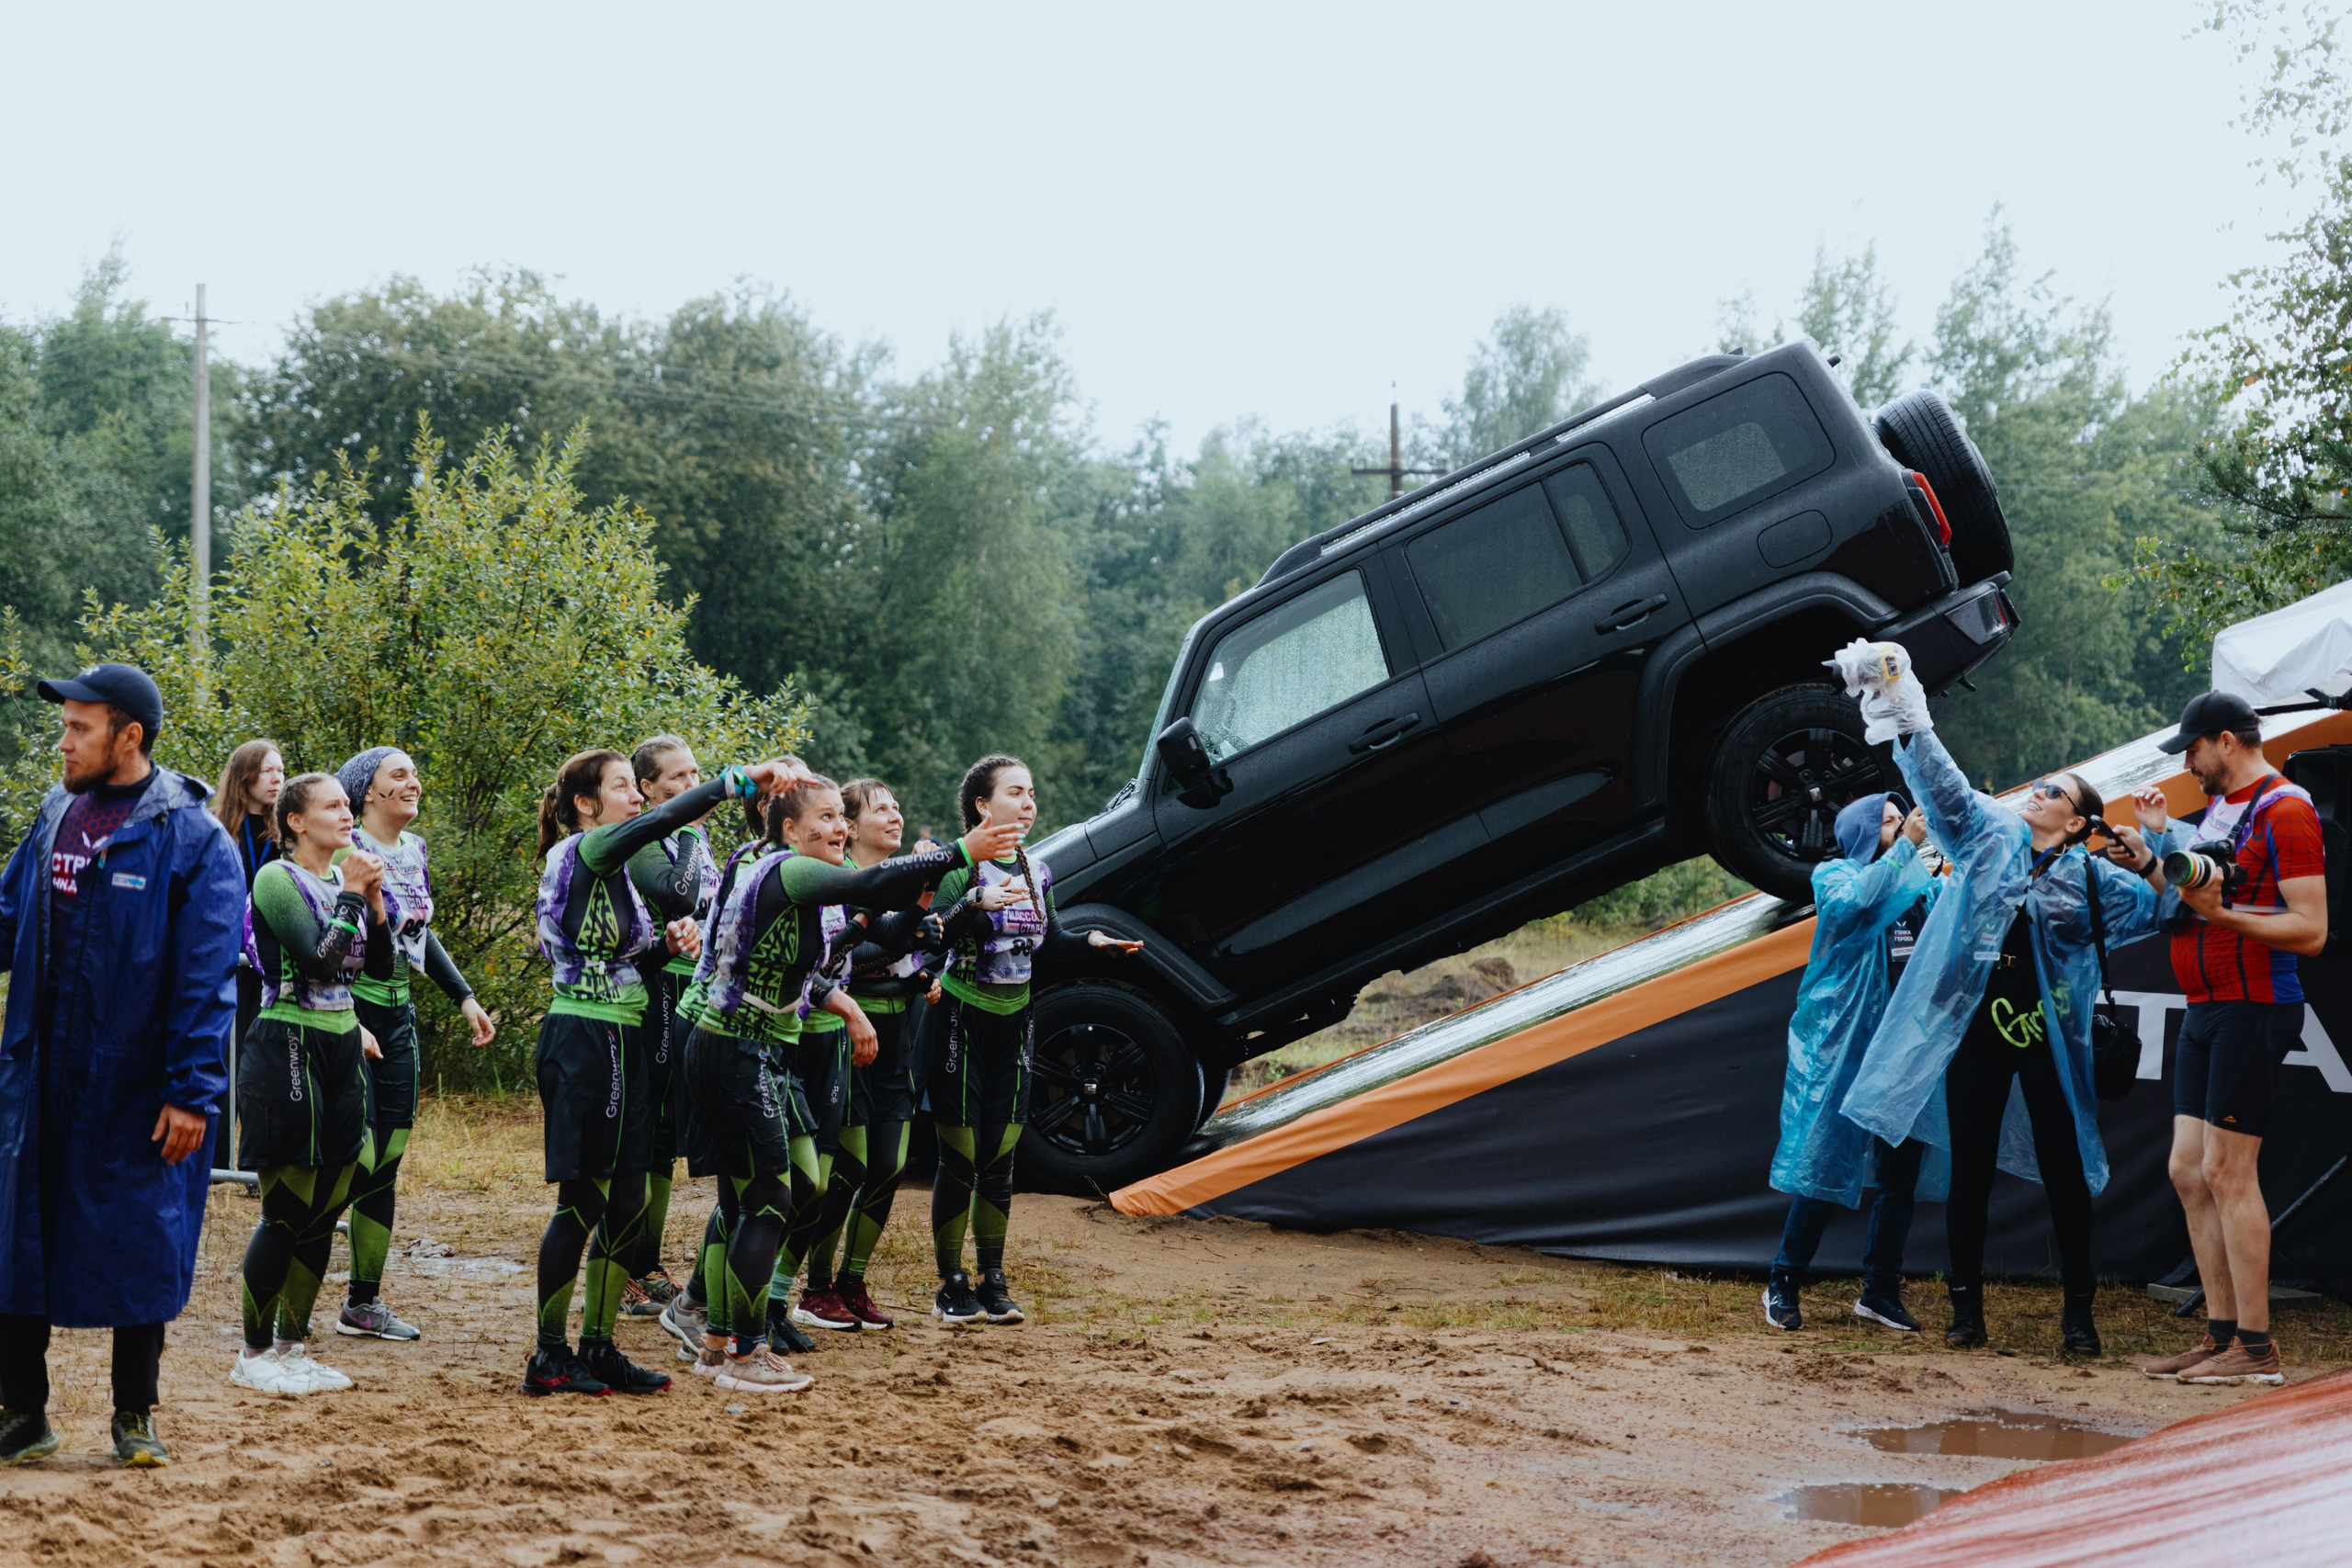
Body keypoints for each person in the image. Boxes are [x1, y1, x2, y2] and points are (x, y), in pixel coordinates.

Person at [1838, 640, 2158, 1355]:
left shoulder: (2089, 879)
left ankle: (2080, 1316)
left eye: (2055, 793)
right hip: (1975, 1029)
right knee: (1971, 1170)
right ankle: (1966, 1312)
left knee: (2065, 1170)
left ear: (2077, 822)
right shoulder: (1991, 836)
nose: (2037, 793)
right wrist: (1909, 712)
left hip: (2050, 1031)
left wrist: (2156, 851)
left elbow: (2158, 907)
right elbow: (1945, 787)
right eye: (2041, 786)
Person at [684, 777, 1014, 1393]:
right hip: (735, 1047)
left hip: (765, 1049)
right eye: (826, 817)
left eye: (842, 816)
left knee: (797, 1184)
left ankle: (714, 1343)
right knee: (767, 1198)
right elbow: (867, 886)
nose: (838, 827)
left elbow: (870, 932)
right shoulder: (789, 872)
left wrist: (929, 905)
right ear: (788, 828)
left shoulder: (816, 889)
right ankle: (743, 1352)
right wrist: (960, 852)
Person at [0, 663, 244, 1466]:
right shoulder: (54, 815)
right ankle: (24, 1413)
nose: (62, 741)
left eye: (79, 727)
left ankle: (134, 1413)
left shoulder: (192, 839)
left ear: (128, 736)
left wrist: (192, 1092)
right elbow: (8, 918)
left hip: (136, 1080)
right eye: (63, 725)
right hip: (39, 1073)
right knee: (19, 1233)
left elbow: (208, 981)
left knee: (142, 1233)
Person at [526, 747, 808, 1398]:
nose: (635, 796)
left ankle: (598, 1345)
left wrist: (661, 950)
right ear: (586, 804)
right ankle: (549, 1354)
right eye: (623, 785)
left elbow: (614, 963)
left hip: (623, 1034)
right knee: (582, 1202)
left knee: (627, 1197)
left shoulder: (615, 870)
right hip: (582, 1040)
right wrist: (738, 781)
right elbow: (662, 822)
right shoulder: (586, 848)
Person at [2124, 692, 2328, 1387]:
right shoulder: (2218, 812)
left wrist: (2227, 912)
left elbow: (2311, 929)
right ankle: (2219, 1336)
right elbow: (2195, 906)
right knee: (2188, 1167)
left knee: (2229, 1172)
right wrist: (2154, 853)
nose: (2188, 764)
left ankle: (2258, 1347)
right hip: (2206, 1004)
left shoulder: (2288, 808)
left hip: (2256, 1004)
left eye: (2193, 750)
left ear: (2226, 741)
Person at [925, 755, 1144, 1326]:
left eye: (1032, 793)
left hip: (1015, 1019)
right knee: (962, 1156)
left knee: (1000, 1157)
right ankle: (950, 1283)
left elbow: (1050, 940)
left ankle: (992, 1278)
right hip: (959, 1017)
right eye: (1016, 792)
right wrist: (973, 906)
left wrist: (1093, 941)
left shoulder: (1034, 868)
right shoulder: (959, 865)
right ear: (982, 804)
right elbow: (928, 936)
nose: (1029, 803)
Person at [332, 747, 496, 1341]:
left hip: (399, 1014)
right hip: (349, 1011)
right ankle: (286, 1269)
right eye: (397, 774)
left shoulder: (414, 848)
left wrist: (465, 996)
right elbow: (325, 943)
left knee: (389, 1156)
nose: (413, 782)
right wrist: (348, 1012)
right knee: (354, 1156)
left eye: (414, 772)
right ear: (367, 792)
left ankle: (362, 1302)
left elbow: (418, 936)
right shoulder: (345, 852)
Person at [232, 773, 388, 1398]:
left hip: (341, 1038)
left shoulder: (338, 881)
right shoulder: (278, 878)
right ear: (295, 820)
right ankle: (253, 1350)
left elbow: (377, 968)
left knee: (329, 1203)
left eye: (348, 806)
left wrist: (372, 905)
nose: (346, 814)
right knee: (287, 1205)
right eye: (332, 806)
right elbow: (318, 958)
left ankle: (293, 1349)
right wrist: (353, 894)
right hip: (286, 1039)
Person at [1763, 791, 1942, 1334]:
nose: (1899, 826)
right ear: (1861, 830)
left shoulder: (1918, 884)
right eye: (1886, 821)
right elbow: (1853, 906)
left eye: (1902, 819)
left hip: (1903, 1055)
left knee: (1898, 1180)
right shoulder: (1834, 875)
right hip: (1848, 1053)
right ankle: (1783, 1282)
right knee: (1824, 1169)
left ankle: (1879, 1292)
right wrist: (1905, 852)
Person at [791, 779, 936, 1333]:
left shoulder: (903, 882)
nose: (896, 815)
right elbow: (866, 952)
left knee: (890, 1166)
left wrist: (928, 949)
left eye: (900, 806)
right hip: (849, 1039)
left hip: (899, 1037)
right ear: (850, 825)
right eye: (883, 808)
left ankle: (853, 1281)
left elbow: (915, 944)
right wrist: (909, 940)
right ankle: (816, 1287)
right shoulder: (840, 881)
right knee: (846, 1170)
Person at [619, 736, 719, 1314]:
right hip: (654, 988)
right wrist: (682, 827)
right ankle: (632, 1270)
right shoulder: (647, 839)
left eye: (696, 773)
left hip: (695, 989)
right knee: (649, 1133)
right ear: (648, 790)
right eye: (677, 778)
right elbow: (676, 898)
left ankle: (647, 1263)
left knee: (668, 1138)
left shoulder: (697, 839)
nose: (691, 785)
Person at [215, 739, 286, 1055]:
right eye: (267, 771)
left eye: (280, 771)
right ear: (245, 777)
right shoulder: (217, 830)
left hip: (271, 955)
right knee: (229, 1046)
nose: (277, 779)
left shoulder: (289, 830)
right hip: (227, 957)